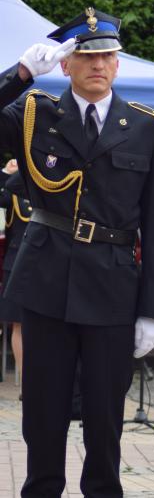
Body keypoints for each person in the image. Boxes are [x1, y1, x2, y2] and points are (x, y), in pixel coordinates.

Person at [0, 7, 154, 498]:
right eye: (86, 55)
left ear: (118, 64)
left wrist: (153, 311)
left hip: (114, 284)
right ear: (66, 64)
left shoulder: (146, 127)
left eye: (107, 56)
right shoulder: (35, 114)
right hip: (46, 277)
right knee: (43, 411)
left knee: (104, 416)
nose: (98, 64)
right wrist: (19, 75)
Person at [0, 163, 30, 382]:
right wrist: (5, 173)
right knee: (18, 324)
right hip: (17, 264)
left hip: (44, 265)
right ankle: (24, 379)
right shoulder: (12, 194)